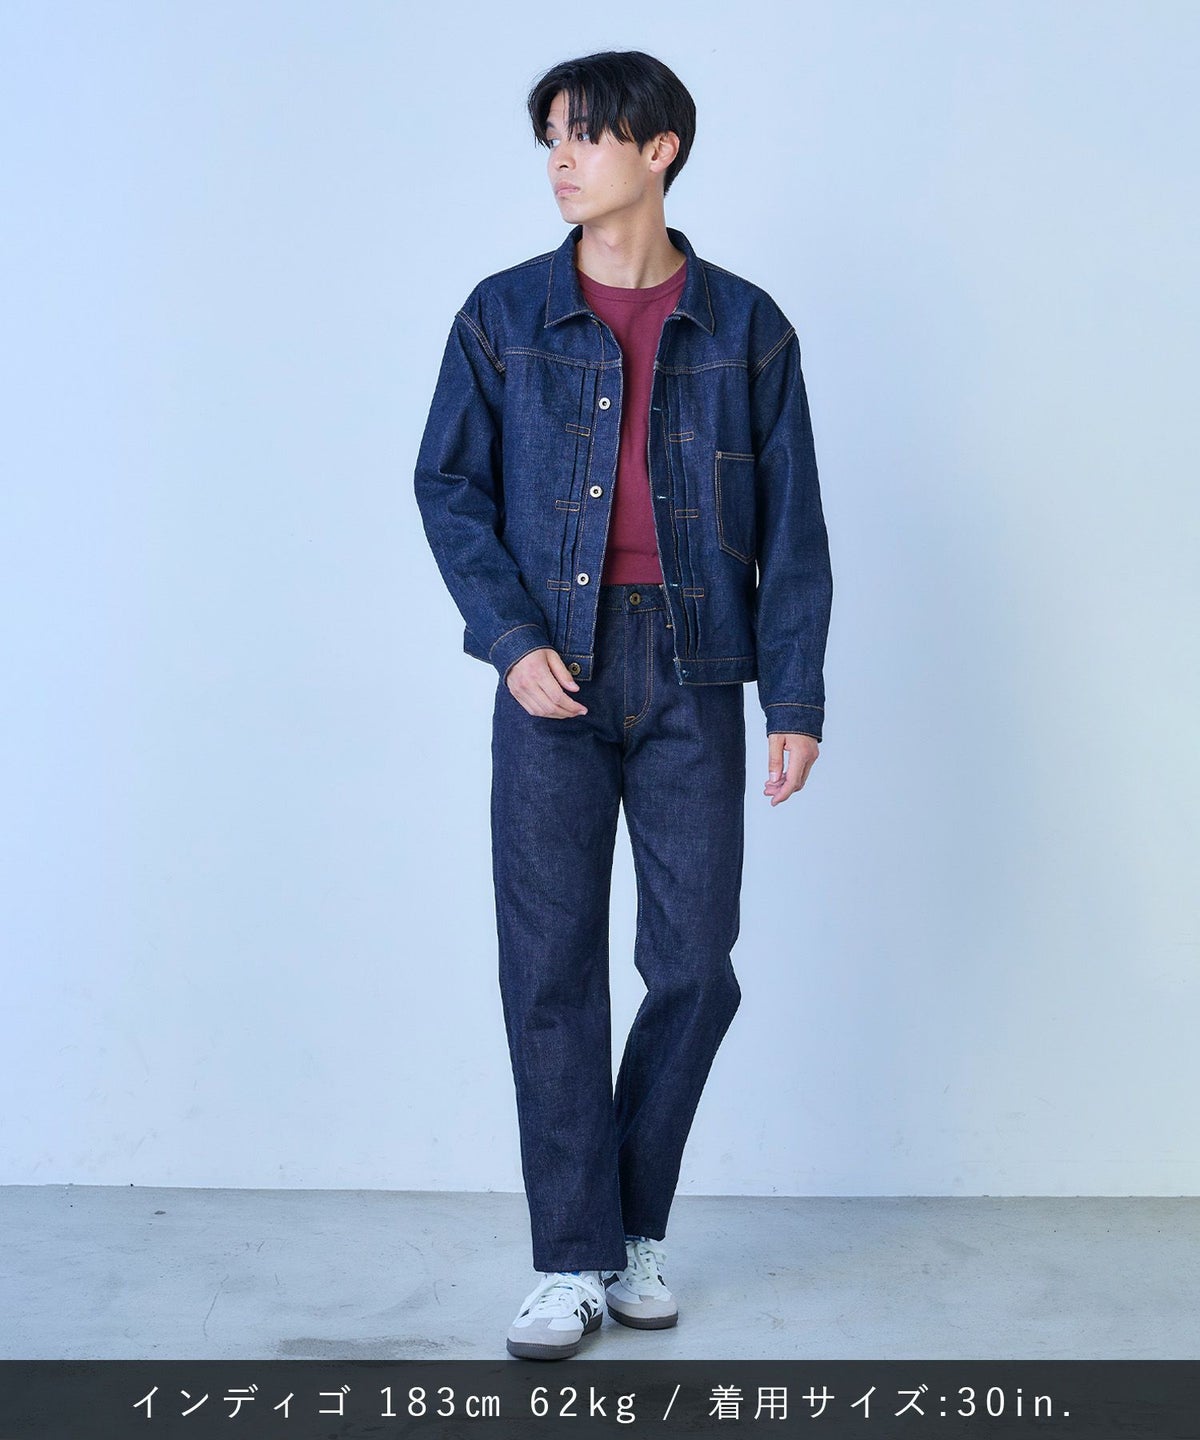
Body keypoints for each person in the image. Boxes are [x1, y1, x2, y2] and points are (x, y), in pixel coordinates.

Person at [413, 49, 833, 1361]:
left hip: (697, 667)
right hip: (553, 671)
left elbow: (795, 525)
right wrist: (509, 639)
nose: (560, 158)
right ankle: (571, 1259)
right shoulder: (503, 316)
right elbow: (447, 488)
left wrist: (794, 696)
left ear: (659, 151)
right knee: (549, 970)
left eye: (586, 134)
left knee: (694, 964)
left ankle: (630, 1225)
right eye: (549, 135)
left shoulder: (748, 326)